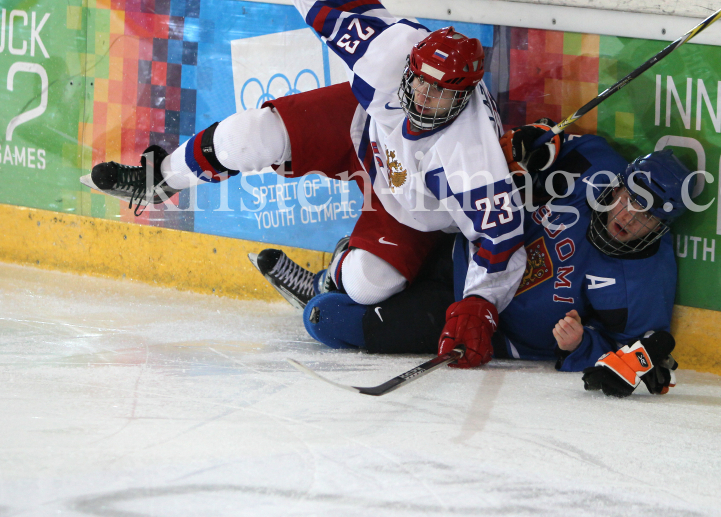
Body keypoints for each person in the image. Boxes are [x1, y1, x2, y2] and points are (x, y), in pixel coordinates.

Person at [82, 0, 527, 367]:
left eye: (439, 93)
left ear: (462, 99)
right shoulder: (390, 55)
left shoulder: (471, 157)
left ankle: (328, 277)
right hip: (361, 126)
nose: (423, 95)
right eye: (420, 82)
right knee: (247, 135)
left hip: (408, 206)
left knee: (367, 283)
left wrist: (480, 307)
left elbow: (502, 242)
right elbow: (346, 3)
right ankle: (160, 179)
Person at [257, 122, 691, 398]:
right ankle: (331, 276)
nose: (628, 217)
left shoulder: (646, 278)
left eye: (647, 214)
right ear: (618, 184)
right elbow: (548, 139)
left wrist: (580, 345)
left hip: (486, 327)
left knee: (325, 319)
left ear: (661, 227)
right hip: (469, 255)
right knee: (372, 275)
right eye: (628, 199)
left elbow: (633, 349)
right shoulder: (596, 166)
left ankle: (323, 289)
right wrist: (530, 144)